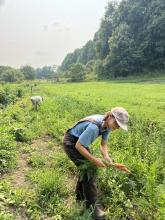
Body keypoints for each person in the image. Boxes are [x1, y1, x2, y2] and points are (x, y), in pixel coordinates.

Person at [63, 107, 129, 220]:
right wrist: (94, 160)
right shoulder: (94, 127)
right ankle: (93, 208)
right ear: (110, 116)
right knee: (90, 171)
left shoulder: (107, 125)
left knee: (85, 170)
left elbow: (103, 145)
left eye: (119, 126)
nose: (117, 127)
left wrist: (106, 156)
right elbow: (78, 146)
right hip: (71, 143)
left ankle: (80, 198)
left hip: (80, 142)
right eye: (117, 124)